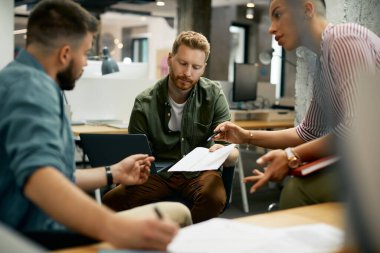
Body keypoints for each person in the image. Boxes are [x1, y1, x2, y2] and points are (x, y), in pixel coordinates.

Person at [0, 0, 192, 251]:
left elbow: (55, 175)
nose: (85, 64)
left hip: (26, 223)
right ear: (65, 54)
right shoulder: (32, 88)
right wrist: (116, 229)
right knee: (177, 212)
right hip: (34, 233)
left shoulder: (15, 78)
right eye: (84, 53)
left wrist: (113, 173)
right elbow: (40, 180)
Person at [213, 0, 380, 209]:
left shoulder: (343, 39)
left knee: (296, 191)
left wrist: (292, 155)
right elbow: (308, 132)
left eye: (278, 14)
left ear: (307, 10)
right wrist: (244, 135)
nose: (271, 28)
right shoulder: (323, 63)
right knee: (295, 188)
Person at [103, 31, 239, 223]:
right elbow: (136, 154)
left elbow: (230, 148)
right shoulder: (145, 102)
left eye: (196, 67)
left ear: (203, 69)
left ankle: (184, 240)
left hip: (200, 172)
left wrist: (223, 151)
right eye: (183, 63)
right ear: (170, 59)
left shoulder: (214, 95)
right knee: (112, 200)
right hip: (160, 174)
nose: (188, 73)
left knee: (213, 198)